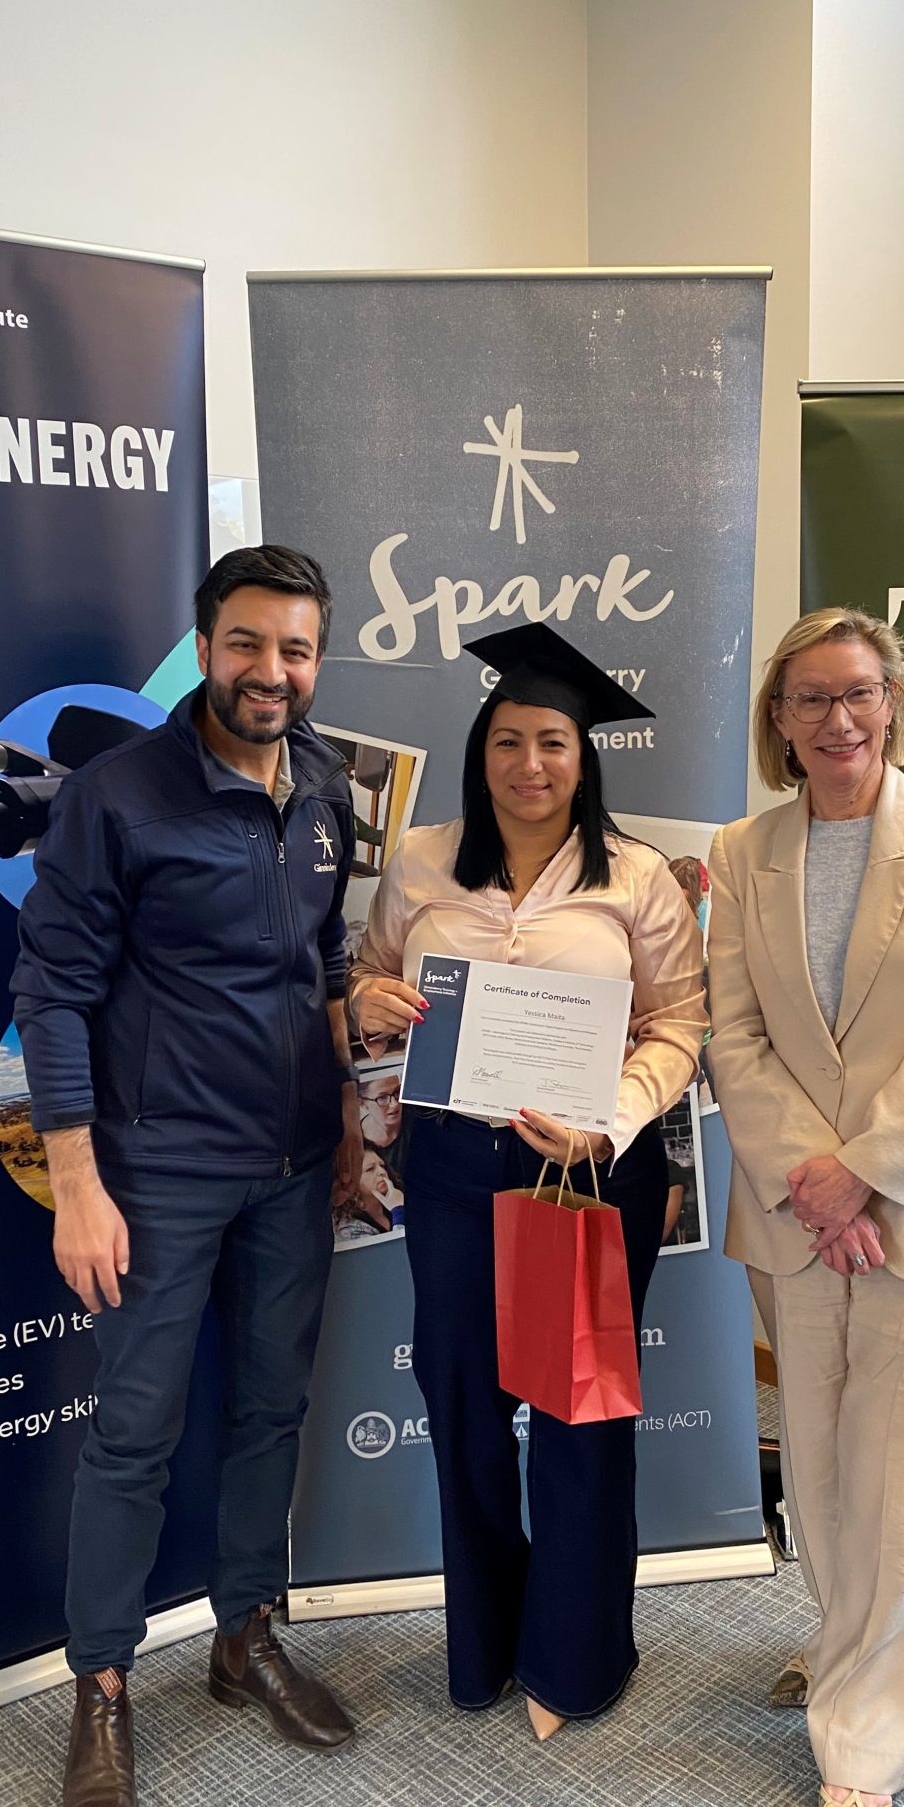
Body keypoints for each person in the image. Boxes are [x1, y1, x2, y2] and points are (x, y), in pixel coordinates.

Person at [12, 545, 364, 1807]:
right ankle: (102, 1684)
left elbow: (324, 954)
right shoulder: (117, 796)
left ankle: (244, 1633)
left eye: (297, 649)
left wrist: (348, 1118)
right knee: (135, 1434)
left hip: (295, 1162)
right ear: (205, 646)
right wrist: (77, 1184)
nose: (273, 671)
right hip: (157, 1171)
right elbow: (52, 992)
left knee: (270, 1407)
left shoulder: (324, 784)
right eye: (249, 643)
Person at [349, 623, 705, 1741]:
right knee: (462, 1403)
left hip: (588, 1173)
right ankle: (486, 1646)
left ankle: (575, 1657)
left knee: (577, 1410)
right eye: (509, 741)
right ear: (481, 750)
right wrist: (365, 1001)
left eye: (553, 742)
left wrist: (611, 1120)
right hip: (456, 1166)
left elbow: (681, 1023)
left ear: (583, 758)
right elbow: (371, 971)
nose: (530, 764)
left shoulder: (636, 876)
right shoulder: (422, 860)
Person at [704, 607, 904, 1807]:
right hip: (798, 1216)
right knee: (826, 1466)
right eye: (811, 698)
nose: (838, 718)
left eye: (859, 693)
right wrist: (813, 1181)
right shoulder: (743, 849)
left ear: (892, 704)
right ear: (778, 720)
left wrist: (865, 1173)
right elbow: (734, 1033)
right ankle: (845, 1645)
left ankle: (865, 1746)